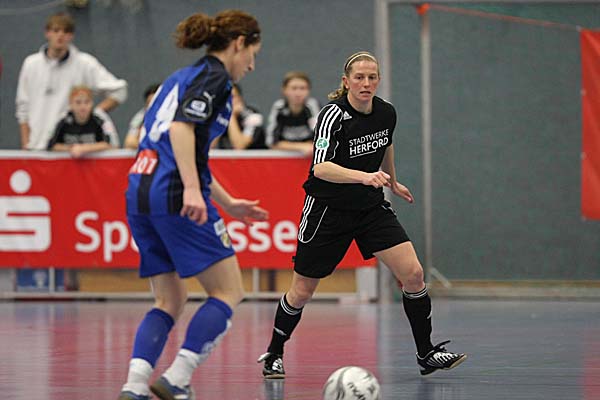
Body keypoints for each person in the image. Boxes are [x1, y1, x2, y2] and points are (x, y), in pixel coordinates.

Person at [257, 51, 467, 379]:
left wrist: (392, 181)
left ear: (378, 80)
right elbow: (321, 168)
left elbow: (386, 144)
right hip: (328, 211)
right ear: (346, 82)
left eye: (372, 77)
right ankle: (274, 352)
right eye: (359, 78)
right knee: (302, 291)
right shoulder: (332, 115)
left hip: (369, 208)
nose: (366, 83)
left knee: (413, 274)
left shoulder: (386, 112)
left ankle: (426, 354)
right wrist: (364, 176)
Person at [119, 9, 266, 400]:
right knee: (228, 291)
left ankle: (134, 385)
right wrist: (189, 189)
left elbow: (184, 151)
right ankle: (177, 378)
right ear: (238, 44)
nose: (252, 65)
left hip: (140, 189)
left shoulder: (180, 77)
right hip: (171, 191)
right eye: (253, 54)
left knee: (170, 299)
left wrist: (228, 202)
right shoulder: (215, 78)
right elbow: (181, 129)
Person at [15, 12, 127, 151]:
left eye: (66, 32)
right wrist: (26, 144)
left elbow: (119, 90)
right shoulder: (31, 64)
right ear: (47, 33)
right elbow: (23, 108)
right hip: (36, 147)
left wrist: (93, 114)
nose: (60, 36)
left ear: (71, 36)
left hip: (70, 150)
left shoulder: (85, 63)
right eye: (56, 30)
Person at [47, 85, 116, 157]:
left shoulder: (101, 118)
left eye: (87, 102)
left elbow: (111, 145)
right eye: (78, 102)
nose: (83, 107)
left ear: (92, 103)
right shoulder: (62, 119)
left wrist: (84, 149)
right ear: (71, 104)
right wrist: (71, 148)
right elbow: (51, 145)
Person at [265, 71, 320, 155]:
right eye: (294, 88)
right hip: (284, 159)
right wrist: (302, 146)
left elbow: (323, 138)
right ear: (284, 90)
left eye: (303, 88)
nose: (298, 93)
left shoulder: (313, 106)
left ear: (309, 91)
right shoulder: (279, 108)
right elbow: (271, 142)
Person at [214, 83, 266, 149]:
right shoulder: (219, 115)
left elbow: (239, 145)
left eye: (232, 97)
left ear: (240, 99)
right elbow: (210, 146)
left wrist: (231, 116)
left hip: (254, 155)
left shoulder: (253, 116)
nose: (227, 102)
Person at [124, 83, 160, 150]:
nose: (153, 108)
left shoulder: (175, 115)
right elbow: (129, 142)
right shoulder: (141, 117)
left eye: (156, 103)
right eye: (149, 104)